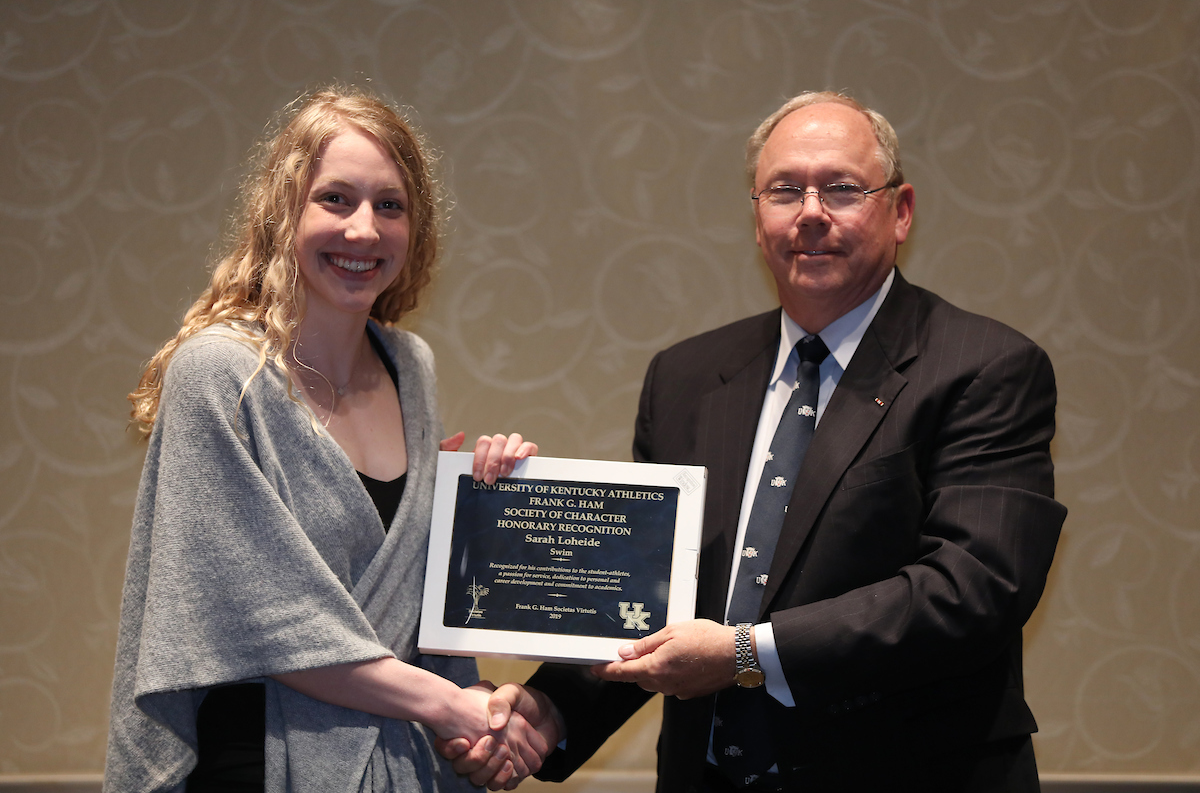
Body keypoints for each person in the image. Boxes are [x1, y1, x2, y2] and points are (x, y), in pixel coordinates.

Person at [443, 91, 1068, 792]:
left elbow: (975, 587)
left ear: (901, 211)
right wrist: (549, 712)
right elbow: (651, 597)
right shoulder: (685, 378)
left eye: (841, 188)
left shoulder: (984, 366)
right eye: (784, 190)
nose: (810, 212)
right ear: (756, 215)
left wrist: (746, 653)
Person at [105, 85, 551, 793]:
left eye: (390, 205)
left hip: (405, 760)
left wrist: (483, 503)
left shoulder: (413, 368)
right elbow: (260, 612)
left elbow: (407, 595)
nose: (364, 231)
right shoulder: (220, 373)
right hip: (257, 759)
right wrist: (447, 707)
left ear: (417, 226)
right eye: (336, 199)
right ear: (284, 213)